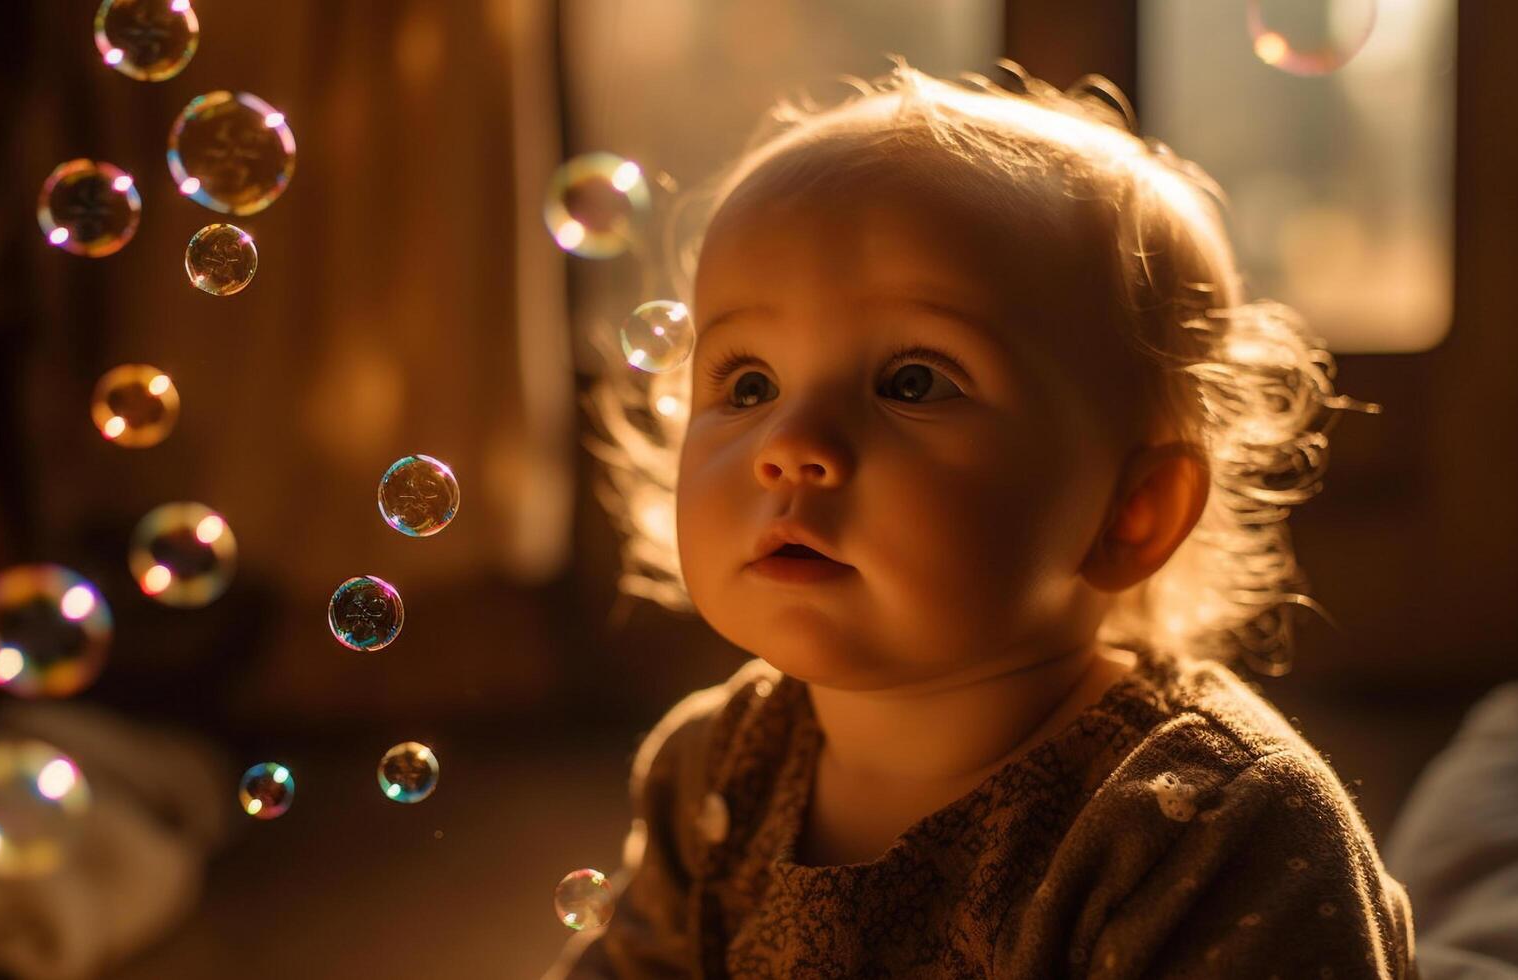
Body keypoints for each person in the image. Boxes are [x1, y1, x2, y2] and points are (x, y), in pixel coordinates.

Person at [552, 60, 1415, 978]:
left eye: (913, 381)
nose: (790, 442)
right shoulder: (713, 771)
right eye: (749, 383)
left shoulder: (1205, 830)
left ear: (1132, 512)